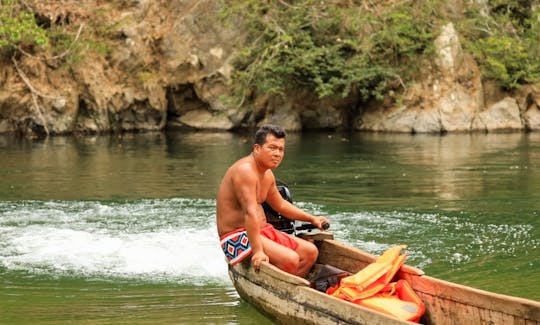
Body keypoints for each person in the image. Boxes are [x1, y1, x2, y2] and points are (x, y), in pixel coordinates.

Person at [217, 124, 329, 277]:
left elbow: (281, 205)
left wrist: (312, 218)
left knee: (310, 253)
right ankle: (279, 290)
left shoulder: (267, 174)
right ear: (257, 148)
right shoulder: (245, 171)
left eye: (281, 149)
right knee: (291, 259)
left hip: (262, 230)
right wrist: (258, 252)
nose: (277, 154)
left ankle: (290, 292)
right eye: (272, 148)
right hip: (237, 237)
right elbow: (249, 213)